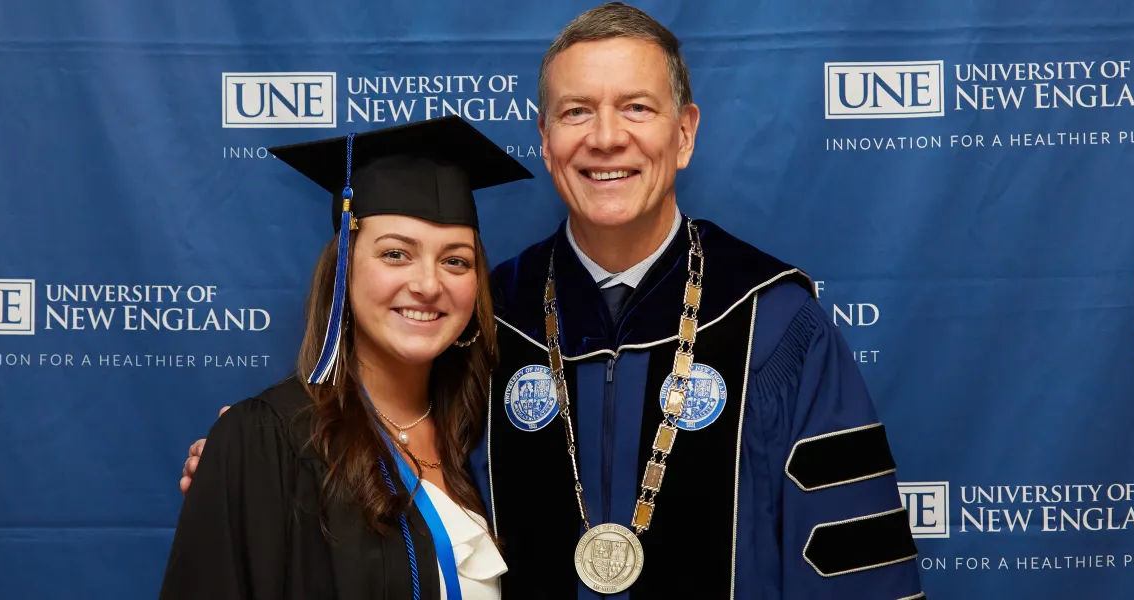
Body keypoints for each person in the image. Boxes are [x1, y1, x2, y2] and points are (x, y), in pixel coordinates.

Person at [180, 3, 926, 598]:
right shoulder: (488, 315)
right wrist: (259, 466)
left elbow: (852, 562)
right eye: (576, 112)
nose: (606, 137)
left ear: (684, 134)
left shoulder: (773, 323)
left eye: (636, 108)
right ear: (544, 138)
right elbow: (390, 449)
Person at [159, 115, 533, 600]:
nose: (428, 284)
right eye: (395, 254)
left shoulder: (490, 437)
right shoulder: (270, 442)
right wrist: (235, 466)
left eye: (455, 260)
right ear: (343, 270)